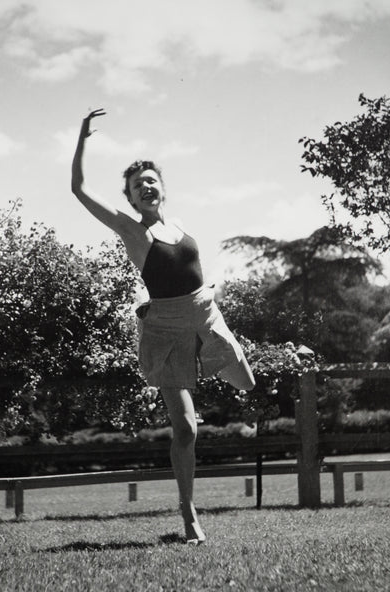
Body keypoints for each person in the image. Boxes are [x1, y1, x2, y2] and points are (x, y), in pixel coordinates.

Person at [71, 109, 255, 544]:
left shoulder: (181, 225)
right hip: (166, 330)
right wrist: (82, 138)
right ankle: (188, 513)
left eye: (151, 181)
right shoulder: (132, 230)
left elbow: (191, 271)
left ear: (162, 189)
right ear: (131, 200)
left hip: (205, 315)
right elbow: (78, 189)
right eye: (137, 186)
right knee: (187, 428)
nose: (146, 187)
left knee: (246, 384)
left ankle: (209, 380)